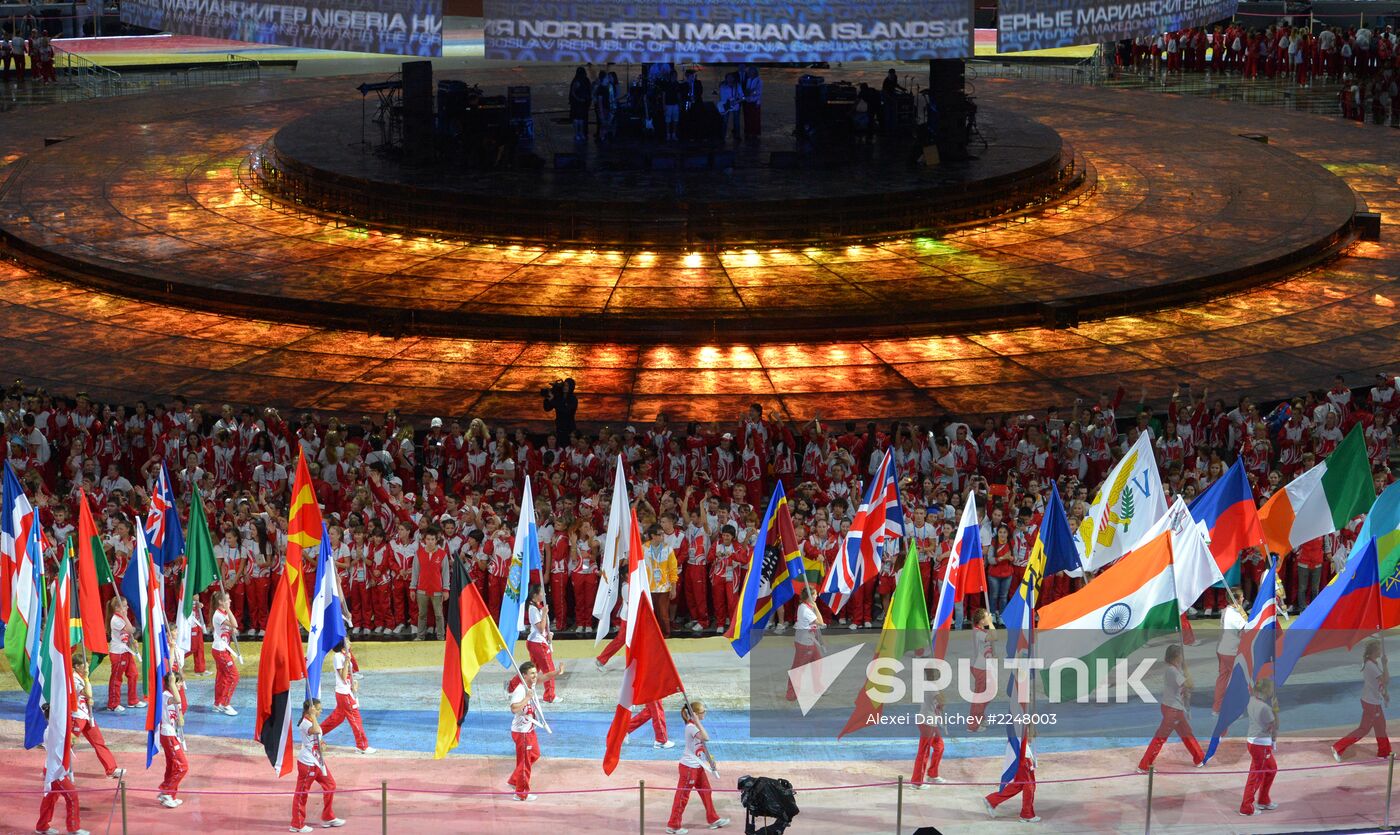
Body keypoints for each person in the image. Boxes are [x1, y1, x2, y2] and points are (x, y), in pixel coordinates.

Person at [666, 701, 730, 834]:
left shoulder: (694, 726)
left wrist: (709, 759)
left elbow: (700, 746)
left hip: (697, 766)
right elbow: (706, 738)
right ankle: (673, 825)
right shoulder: (691, 727)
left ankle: (713, 819)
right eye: (702, 712)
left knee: (706, 791)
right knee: (682, 796)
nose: (704, 714)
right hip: (689, 768)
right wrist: (697, 721)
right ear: (695, 714)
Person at [1138, 644, 1205, 771]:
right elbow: (1190, 684)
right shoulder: (1173, 671)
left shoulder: (1174, 669)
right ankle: (1144, 765)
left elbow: (1183, 688)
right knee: (1160, 738)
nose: (1182, 657)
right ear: (1176, 656)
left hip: (1174, 708)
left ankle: (1200, 758)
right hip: (1172, 710)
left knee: (1186, 733)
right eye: (1181, 654)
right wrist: (1186, 669)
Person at [509, 660, 564, 802]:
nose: (535, 675)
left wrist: (557, 672)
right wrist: (527, 698)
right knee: (525, 763)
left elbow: (544, 677)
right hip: (522, 732)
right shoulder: (520, 690)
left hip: (530, 729)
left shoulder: (531, 683)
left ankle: (515, 779)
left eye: (535, 672)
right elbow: (514, 708)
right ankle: (521, 793)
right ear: (524, 675)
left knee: (535, 754)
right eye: (532, 673)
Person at [291, 698, 346, 831]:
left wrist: (322, 743)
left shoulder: (311, 720)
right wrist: (313, 715)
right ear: (311, 709)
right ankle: (296, 825)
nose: (321, 711)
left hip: (317, 761)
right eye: (319, 709)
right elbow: (315, 730)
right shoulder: (306, 723)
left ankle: (328, 816)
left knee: (330, 785)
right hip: (308, 763)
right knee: (302, 794)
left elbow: (317, 737)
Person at [1333, 638, 1391, 761]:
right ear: (1374, 651)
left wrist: (1384, 694)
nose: (1380, 651)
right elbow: (1385, 680)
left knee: (1380, 727)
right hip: (1371, 703)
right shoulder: (1371, 665)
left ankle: (1384, 752)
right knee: (1364, 729)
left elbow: (1378, 683)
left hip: (1373, 701)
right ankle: (1338, 747)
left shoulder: (1372, 663)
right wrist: (1385, 664)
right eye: (1379, 649)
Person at [71, 656, 124, 780]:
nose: (87, 667)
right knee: (68, 745)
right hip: (77, 716)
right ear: (77, 666)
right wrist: (86, 681)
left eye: (87, 664)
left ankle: (111, 769)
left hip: (87, 715)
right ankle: (50, 769)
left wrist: (89, 700)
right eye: (85, 664)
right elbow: (87, 693)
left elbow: (88, 696)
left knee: (99, 742)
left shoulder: (81, 677)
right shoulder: (74, 678)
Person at [320, 640, 375, 754]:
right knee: (355, 719)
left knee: (336, 719)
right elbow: (343, 677)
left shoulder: (344, 655)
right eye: (347, 641)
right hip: (344, 694)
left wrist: (352, 685)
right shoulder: (338, 657)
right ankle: (362, 746)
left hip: (345, 692)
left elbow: (348, 677)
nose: (350, 642)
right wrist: (347, 661)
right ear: (342, 646)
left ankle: (316, 734)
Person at [983, 726, 1038, 822]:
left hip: (1024, 755)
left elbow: (1030, 735)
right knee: (1029, 786)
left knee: (1018, 785)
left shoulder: (1022, 721)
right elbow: (1027, 734)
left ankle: (992, 800)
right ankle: (1027, 815)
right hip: (1022, 757)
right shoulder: (1020, 722)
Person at [1240, 679, 1279, 816]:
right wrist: (1275, 711)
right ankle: (1246, 807)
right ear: (1267, 690)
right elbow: (1274, 726)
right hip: (1260, 745)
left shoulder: (1251, 700)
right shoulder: (1265, 708)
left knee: (1272, 769)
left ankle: (1263, 799)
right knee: (1256, 777)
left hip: (1254, 742)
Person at [785, 587, 824, 701]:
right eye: (815, 594)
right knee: (797, 669)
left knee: (818, 662)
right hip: (805, 643)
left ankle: (817, 687)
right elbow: (821, 623)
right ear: (810, 596)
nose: (817, 596)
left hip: (810, 640)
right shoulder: (806, 609)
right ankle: (791, 693)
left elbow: (814, 627)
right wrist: (816, 607)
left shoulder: (806, 606)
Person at [1213, 590, 1247, 716]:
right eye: (1242, 596)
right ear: (1236, 599)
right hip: (1231, 651)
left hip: (1222, 648)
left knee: (1223, 678)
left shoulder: (1226, 610)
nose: (1243, 598)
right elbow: (1246, 630)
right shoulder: (1235, 615)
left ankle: (1217, 708)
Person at [157, 671, 188, 809]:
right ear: (171, 684)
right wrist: (171, 683)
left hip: (173, 734)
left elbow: (179, 717)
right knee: (182, 766)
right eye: (178, 682)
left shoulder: (171, 695)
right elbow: (178, 700)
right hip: (167, 734)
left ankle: (170, 795)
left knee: (172, 765)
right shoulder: (165, 696)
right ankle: (166, 791)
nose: (181, 684)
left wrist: (180, 717)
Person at [525, 584, 562, 703]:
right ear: (535, 595)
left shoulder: (538, 607)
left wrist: (548, 634)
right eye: (542, 592)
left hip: (537, 642)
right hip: (538, 644)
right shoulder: (533, 609)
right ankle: (549, 696)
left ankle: (514, 686)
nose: (545, 594)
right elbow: (540, 628)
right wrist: (545, 613)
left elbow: (543, 629)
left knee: (532, 670)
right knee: (549, 669)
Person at [106, 596, 142, 712]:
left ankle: (133, 700)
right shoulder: (116, 619)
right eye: (124, 605)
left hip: (126, 650)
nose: (127, 607)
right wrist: (126, 616)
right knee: (116, 679)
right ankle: (113, 704)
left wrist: (133, 642)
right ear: (117, 608)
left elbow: (128, 635)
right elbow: (131, 630)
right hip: (118, 652)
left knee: (133, 674)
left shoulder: (122, 618)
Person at [413, 527, 448, 640]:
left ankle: (441, 637)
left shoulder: (442, 554)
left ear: (436, 540)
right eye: (428, 539)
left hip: (437, 590)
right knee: (422, 614)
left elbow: (445, 574)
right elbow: (415, 572)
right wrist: (412, 588)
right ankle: (420, 636)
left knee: (439, 615)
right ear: (424, 540)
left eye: (432, 539)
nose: (430, 542)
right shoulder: (419, 554)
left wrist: (446, 589)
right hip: (421, 590)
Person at [211, 590, 241, 715]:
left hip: (223, 649)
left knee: (222, 677)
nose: (230, 601)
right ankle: (225, 703)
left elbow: (233, 628)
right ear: (221, 602)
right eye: (227, 600)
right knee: (234, 676)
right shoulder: (219, 615)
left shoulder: (223, 614)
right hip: (220, 650)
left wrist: (232, 631)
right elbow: (235, 624)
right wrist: (229, 610)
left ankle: (217, 703)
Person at [968, 608, 996, 731]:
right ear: (981, 620)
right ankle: (973, 725)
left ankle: (981, 715)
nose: (988, 617)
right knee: (980, 696)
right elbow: (994, 637)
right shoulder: (978, 632)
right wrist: (991, 623)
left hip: (985, 666)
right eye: (986, 616)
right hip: (980, 667)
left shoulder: (981, 630)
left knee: (989, 693)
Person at [912, 689, 945, 788]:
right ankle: (917, 782)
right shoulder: (933, 689)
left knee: (939, 746)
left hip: (929, 721)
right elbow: (941, 703)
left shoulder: (929, 687)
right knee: (924, 752)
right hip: (927, 723)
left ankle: (932, 774)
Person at [568, 69, 592, 143]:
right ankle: (578, 133)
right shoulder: (578, 81)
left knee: (580, 119)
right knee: (579, 119)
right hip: (579, 103)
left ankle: (579, 133)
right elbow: (573, 92)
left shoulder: (580, 80)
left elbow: (573, 92)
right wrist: (579, 99)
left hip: (581, 103)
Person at [717, 72, 742, 142]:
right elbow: (722, 97)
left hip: (735, 105)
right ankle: (722, 135)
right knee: (725, 121)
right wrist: (728, 102)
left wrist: (737, 101)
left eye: (731, 77)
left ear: (734, 78)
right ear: (726, 78)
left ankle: (737, 136)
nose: (730, 79)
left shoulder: (738, 85)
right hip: (726, 106)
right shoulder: (723, 86)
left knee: (736, 121)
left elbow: (742, 96)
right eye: (728, 77)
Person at [741, 66, 762, 138]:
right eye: (749, 71)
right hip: (747, 101)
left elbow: (759, 92)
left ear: (755, 72)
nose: (749, 72)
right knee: (747, 117)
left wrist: (751, 92)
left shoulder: (759, 80)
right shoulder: (748, 79)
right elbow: (748, 90)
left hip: (755, 101)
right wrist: (749, 92)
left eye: (751, 71)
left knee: (755, 118)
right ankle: (748, 131)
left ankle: (754, 132)